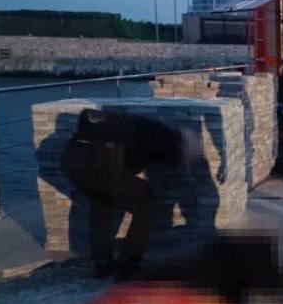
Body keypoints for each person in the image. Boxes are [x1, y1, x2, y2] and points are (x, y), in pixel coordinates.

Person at [61, 109, 189, 279]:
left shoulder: (137, 125)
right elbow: (135, 162)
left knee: (101, 202)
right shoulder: (163, 139)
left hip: (72, 161)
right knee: (146, 205)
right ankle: (128, 265)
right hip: (101, 161)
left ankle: (102, 263)